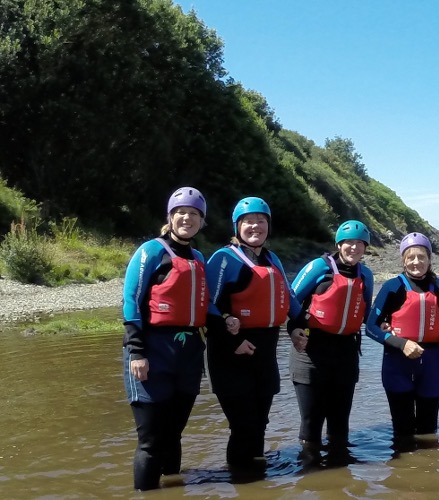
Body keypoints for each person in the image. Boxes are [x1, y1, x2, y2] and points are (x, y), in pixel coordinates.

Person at [205, 196, 303, 473]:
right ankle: (240, 480)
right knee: (243, 425)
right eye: (248, 221)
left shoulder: (272, 259)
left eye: (261, 221)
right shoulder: (224, 258)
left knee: (260, 423)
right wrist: (232, 341)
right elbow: (207, 304)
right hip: (231, 352)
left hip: (265, 351)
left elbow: (289, 296)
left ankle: (257, 479)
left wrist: (298, 325)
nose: (255, 226)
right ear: (237, 226)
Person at [121, 187, 209, 490]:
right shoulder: (151, 251)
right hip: (152, 351)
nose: (187, 218)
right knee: (151, 440)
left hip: (187, 355)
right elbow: (131, 300)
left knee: (174, 434)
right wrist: (136, 351)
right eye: (181, 212)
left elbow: (203, 303)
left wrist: (226, 320)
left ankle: (172, 490)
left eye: (194, 214)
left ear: (201, 221)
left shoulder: (198, 257)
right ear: (170, 217)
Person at [364, 232, 439, 450]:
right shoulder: (392, 287)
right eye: (411, 257)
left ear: (429, 259)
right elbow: (371, 327)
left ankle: (429, 475)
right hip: (398, 363)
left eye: (421, 257)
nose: (416, 262)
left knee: (428, 432)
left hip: (433, 363)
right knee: (403, 432)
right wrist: (401, 343)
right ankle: (402, 477)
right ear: (403, 260)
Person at [288, 220, 375, 462]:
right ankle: (309, 472)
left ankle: (340, 477)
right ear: (339, 244)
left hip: (346, 352)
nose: (354, 248)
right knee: (311, 420)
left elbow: (366, 312)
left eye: (360, 244)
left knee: (340, 423)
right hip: (311, 350)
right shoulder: (319, 267)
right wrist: (295, 326)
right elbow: (290, 297)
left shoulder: (366, 274)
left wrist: (387, 326)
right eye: (349, 243)